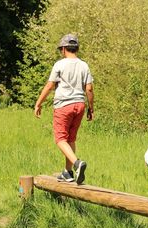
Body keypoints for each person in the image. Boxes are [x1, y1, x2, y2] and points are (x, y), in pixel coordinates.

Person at [34, 33, 94, 185]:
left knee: (60, 139)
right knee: (71, 139)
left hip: (63, 105)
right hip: (79, 105)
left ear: (64, 49)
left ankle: (76, 164)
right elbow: (89, 89)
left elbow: (50, 85)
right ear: (76, 48)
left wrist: (38, 103)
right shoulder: (84, 65)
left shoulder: (59, 64)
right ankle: (68, 173)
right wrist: (91, 108)